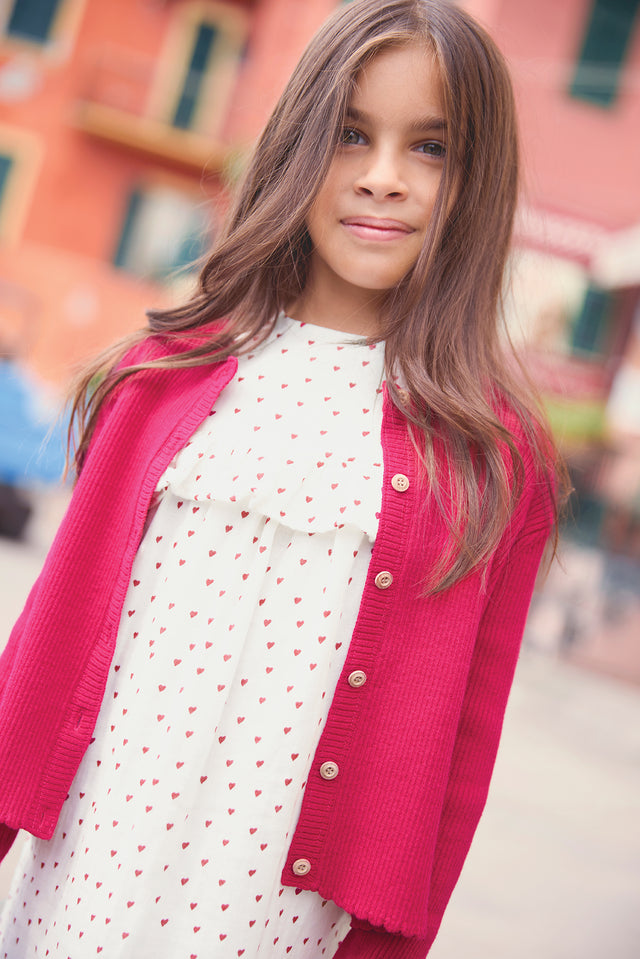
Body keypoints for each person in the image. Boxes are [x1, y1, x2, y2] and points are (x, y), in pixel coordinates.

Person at [0, 1, 564, 956]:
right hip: (90, 879)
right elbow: (44, 646)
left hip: (271, 921)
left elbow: (458, 755)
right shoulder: (156, 381)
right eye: (351, 135)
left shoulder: (493, 457)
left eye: (429, 148)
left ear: (479, 180)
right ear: (299, 143)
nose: (382, 179)